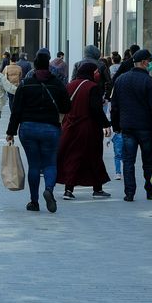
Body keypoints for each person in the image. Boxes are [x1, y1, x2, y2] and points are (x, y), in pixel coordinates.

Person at [6, 49, 71, 213]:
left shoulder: (26, 84)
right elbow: (66, 107)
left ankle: (34, 201)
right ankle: (49, 189)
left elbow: (16, 110)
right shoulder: (57, 83)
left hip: (28, 128)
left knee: (34, 165)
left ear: (34, 66)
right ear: (48, 66)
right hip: (50, 128)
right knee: (50, 162)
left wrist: (10, 131)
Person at [110, 49, 152, 202]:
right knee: (148, 162)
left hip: (127, 127)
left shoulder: (121, 80)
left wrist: (116, 126)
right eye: (149, 61)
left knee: (128, 161)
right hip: (146, 128)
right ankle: (150, 191)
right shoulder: (149, 82)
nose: (150, 64)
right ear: (144, 62)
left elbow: (115, 106)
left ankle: (129, 193)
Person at [57, 62, 113, 200]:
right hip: (88, 128)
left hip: (70, 127)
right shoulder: (92, 87)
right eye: (96, 72)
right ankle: (97, 188)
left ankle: (68, 190)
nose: (98, 74)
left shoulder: (70, 85)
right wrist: (106, 125)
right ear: (90, 72)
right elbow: (96, 110)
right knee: (94, 157)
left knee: (72, 157)